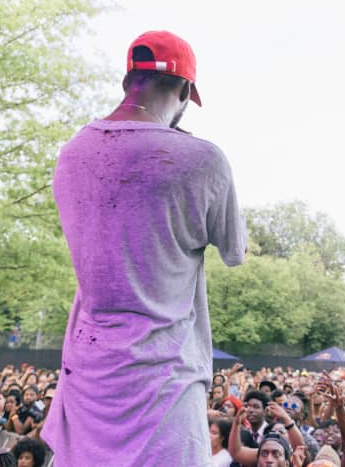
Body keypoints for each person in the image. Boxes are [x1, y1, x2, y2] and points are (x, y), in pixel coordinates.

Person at [41, 29, 247, 465]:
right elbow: (235, 250)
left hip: (87, 379)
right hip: (164, 382)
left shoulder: (72, 153)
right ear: (186, 91)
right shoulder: (203, 159)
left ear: (126, 81)